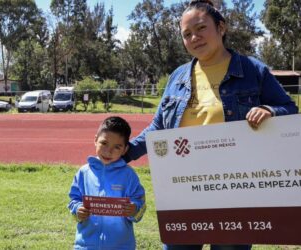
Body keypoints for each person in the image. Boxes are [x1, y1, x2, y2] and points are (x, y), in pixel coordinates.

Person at [124, 0, 298, 250]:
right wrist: (124, 153)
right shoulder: (178, 77)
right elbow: (158, 128)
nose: (194, 37)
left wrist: (269, 110)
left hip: (234, 192)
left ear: (221, 27)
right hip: (182, 192)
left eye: (201, 28)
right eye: (186, 34)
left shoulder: (252, 70)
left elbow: (289, 109)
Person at [68, 116, 146, 250]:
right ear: (95, 140)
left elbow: (140, 203)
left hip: (121, 246)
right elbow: (74, 200)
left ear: (125, 149)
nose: (108, 151)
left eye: (117, 147)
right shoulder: (83, 173)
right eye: (104, 143)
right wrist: (77, 209)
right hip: (86, 245)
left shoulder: (129, 175)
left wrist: (134, 209)